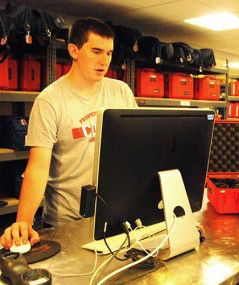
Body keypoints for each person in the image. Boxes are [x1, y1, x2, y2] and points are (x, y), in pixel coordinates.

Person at [0, 18, 137, 249]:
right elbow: (37, 168)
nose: (104, 61)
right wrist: (22, 224)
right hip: (65, 224)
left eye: (109, 53)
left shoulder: (121, 91)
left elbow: (135, 145)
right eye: (96, 51)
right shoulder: (50, 100)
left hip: (113, 216)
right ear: (74, 50)